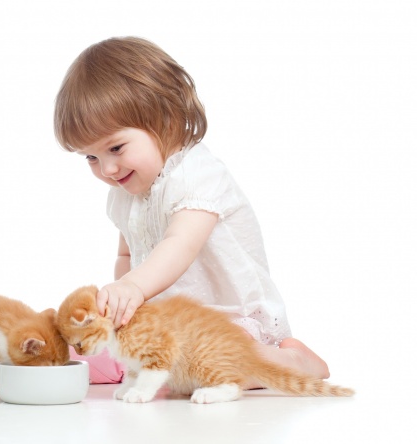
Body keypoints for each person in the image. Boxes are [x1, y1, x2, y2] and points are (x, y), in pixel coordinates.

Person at [53, 36, 329, 386]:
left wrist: (134, 287)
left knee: (208, 365)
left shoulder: (197, 174)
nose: (106, 169)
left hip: (225, 318)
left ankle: (294, 362)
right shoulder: (125, 193)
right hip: (169, 322)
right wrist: (121, 307)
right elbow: (127, 253)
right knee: (85, 352)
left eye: (116, 147)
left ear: (165, 120)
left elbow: (179, 244)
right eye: (91, 157)